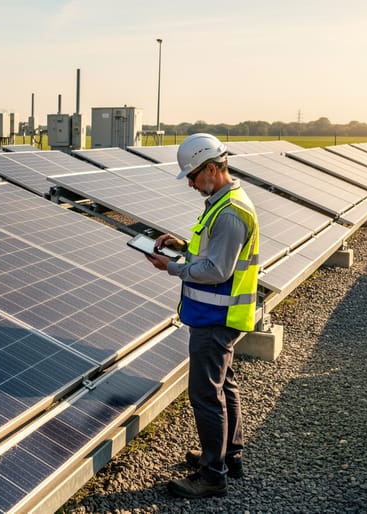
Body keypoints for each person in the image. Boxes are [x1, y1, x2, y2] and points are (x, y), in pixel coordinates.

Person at [144, 133, 260, 499]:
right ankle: (229, 457)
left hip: (215, 316)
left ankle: (212, 475)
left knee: (205, 395)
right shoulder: (224, 203)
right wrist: (181, 245)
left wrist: (172, 267)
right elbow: (211, 251)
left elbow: (217, 270)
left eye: (193, 176)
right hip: (219, 314)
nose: (191, 184)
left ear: (211, 169)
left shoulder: (230, 213)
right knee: (224, 386)